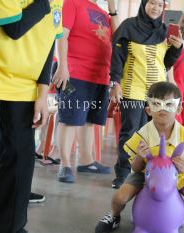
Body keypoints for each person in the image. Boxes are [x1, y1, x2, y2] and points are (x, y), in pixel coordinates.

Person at [96, 82, 184, 233]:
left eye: (169, 104)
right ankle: (114, 216)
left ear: (179, 109)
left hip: (175, 176)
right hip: (144, 175)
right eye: (156, 104)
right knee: (119, 197)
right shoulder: (143, 134)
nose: (162, 109)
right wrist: (139, 157)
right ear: (149, 110)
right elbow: (135, 169)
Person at [0, 0, 62, 232]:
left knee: (21, 165)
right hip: (1, 85)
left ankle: (12, 225)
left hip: (25, 92)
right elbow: (14, 29)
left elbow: (48, 45)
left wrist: (42, 94)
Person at [109, 0, 183, 189]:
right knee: (130, 132)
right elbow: (117, 58)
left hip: (157, 93)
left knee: (153, 134)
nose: (156, 8)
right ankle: (123, 173)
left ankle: (144, 173)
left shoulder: (165, 31)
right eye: (152, 3)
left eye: (160, 4)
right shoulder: (128, 26)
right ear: (144, 4)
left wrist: (176, 48)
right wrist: (114, 83)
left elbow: (166, 63)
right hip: (132, 88)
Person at [52, 0, 118, 183]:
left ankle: (87, 161)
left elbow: (118, 37)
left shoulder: (104, 14)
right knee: (70, 120)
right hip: (75, 72)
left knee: (89, 121)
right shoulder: (72, 3)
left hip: (99, 76)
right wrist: (62, 66)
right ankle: (64, 165)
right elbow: (61, 35)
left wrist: (113, 10)